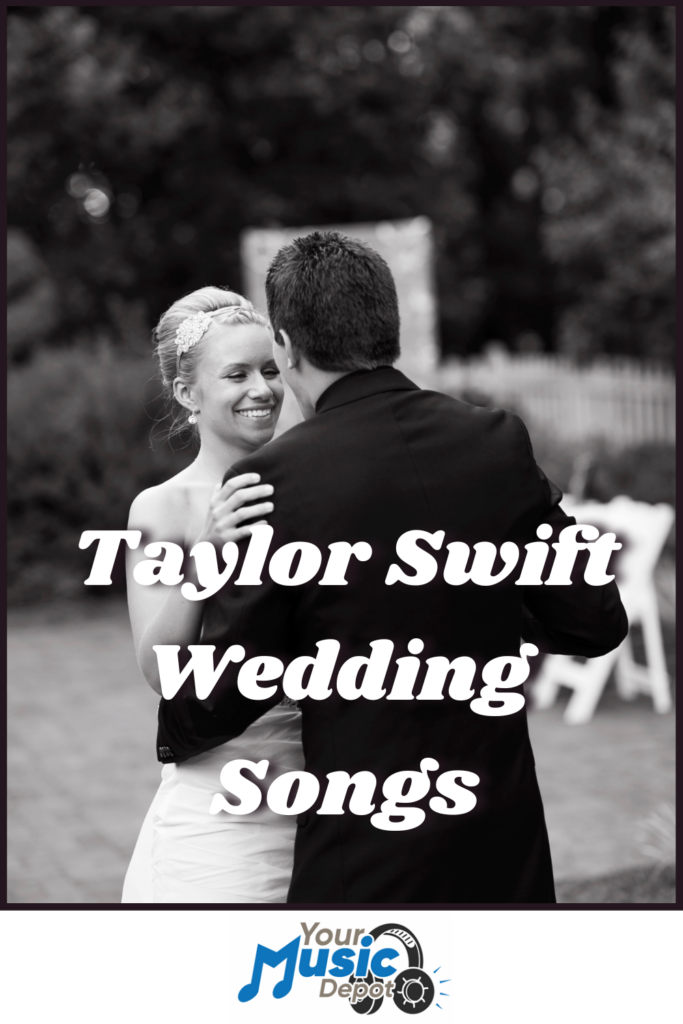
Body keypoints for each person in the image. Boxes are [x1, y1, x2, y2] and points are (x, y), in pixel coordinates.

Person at [157, 233, 628, 903]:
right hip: (501, 848)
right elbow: (593, 621)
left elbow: (219, 698)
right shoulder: (495, 441)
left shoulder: (270, 482)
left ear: (285, 346)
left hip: (366, 863)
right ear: (389, 329)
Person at [122, 287, 304, 903]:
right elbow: (158, 670)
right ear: (186, 394)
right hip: (220, 791)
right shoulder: (160, 507)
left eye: (270, 369)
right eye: (237, 374)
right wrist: (207, 553)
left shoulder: (310, 486)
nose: (262, 389)